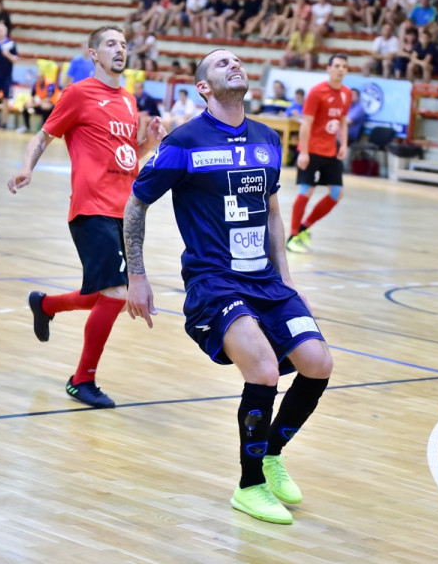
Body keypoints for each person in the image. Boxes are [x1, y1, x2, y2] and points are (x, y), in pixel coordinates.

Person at [123, 48, 333, 525]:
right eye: (222, 64)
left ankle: (271, 453)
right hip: (213, 281)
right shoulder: (184, 142)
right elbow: (136, 203)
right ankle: (249, 485)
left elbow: (273, 214)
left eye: (237, 61)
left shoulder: (267, 139)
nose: (234, 65)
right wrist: (137, 274)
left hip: (266, 280)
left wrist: (287, 280)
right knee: (262, 369)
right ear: (203, 87)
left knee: (318, 363)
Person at [6, 25, 165, 408]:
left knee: (101, 293)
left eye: (123, 44)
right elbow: (43, 136)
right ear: (93, 53)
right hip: (91, 208)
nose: (119, 49)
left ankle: (45, 305)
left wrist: (149, 143)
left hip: (125, 211)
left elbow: (125, 156)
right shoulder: (78, 94)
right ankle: (82, 380)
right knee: (117, 294)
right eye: (111, 44)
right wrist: (27, 167)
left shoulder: (129, 100)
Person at [287, 54, 352, 254]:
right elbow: (306, 123)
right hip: (312, 150)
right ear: (328, 68)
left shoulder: (347, 93)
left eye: (344, 66)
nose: (340, 69)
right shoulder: (317, 92)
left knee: (336, 193)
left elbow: (342, 121)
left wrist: (344, 144)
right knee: (306, 191)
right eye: (337, 65)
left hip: (331, 151)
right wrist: (304, 152)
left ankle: (305, 227)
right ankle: (292, 236)